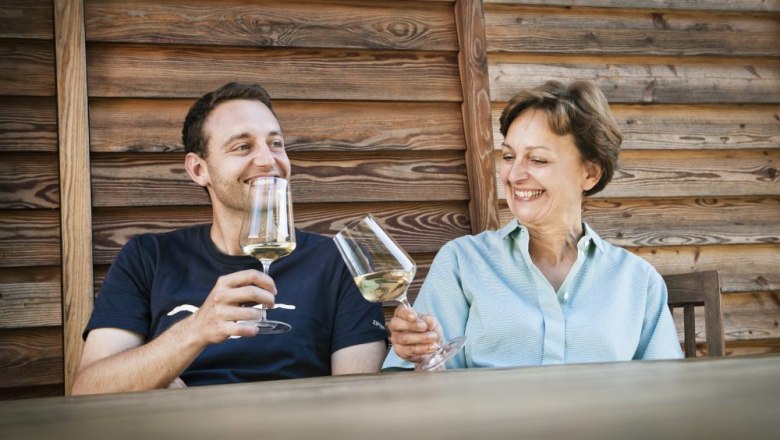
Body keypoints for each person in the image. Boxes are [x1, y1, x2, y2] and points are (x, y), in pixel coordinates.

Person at [72, 82, 387, 394]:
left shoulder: (340, 261)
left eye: (275, 143)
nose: (268, 160)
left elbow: (357, 398)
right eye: (243, 146)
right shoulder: (147, 257)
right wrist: (196, 329)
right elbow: (87, 390)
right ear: (199, 170)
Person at [384, 80, 683, 370]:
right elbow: (423, 385)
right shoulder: (462, 263)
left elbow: (669, 394)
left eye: (537, 159)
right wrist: (420, 358)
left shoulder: (638, 281)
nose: (514, 175)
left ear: (590, 173)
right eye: (509, 156)